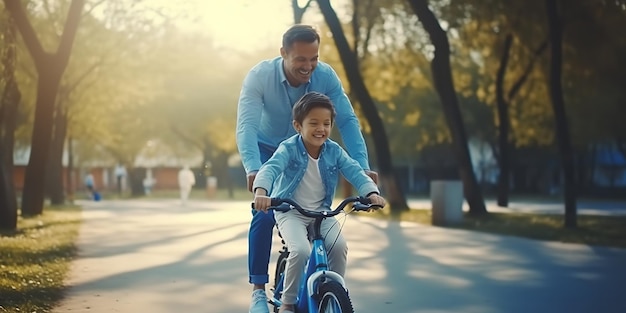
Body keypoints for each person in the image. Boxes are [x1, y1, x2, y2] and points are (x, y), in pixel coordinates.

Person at [236, 24, 379, 313]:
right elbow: (246, 127)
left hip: (311, 145)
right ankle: (259, 291)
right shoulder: (260, 76)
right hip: (271, 150)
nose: (308, 66)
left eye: (313, 58)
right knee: (265, 216)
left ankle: (334, 291)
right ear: (283, 54)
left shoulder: (325, 75)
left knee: (331, 234)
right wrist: (254, 168)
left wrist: (362, 167)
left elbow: (348, 122)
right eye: (301, 59)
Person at [252, 92, 386, 313]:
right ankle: (288, 302)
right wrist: (261, 191)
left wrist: (371, 192)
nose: (320, 129)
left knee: (339, 246)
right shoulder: (289, 148)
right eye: (313, 123)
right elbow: (271, 168)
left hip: (323, 212)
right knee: (301, 250)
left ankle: (334, 292)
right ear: (298, 125)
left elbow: (354, 170)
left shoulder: (334, 151)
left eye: (326, 123)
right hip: (290, 211)